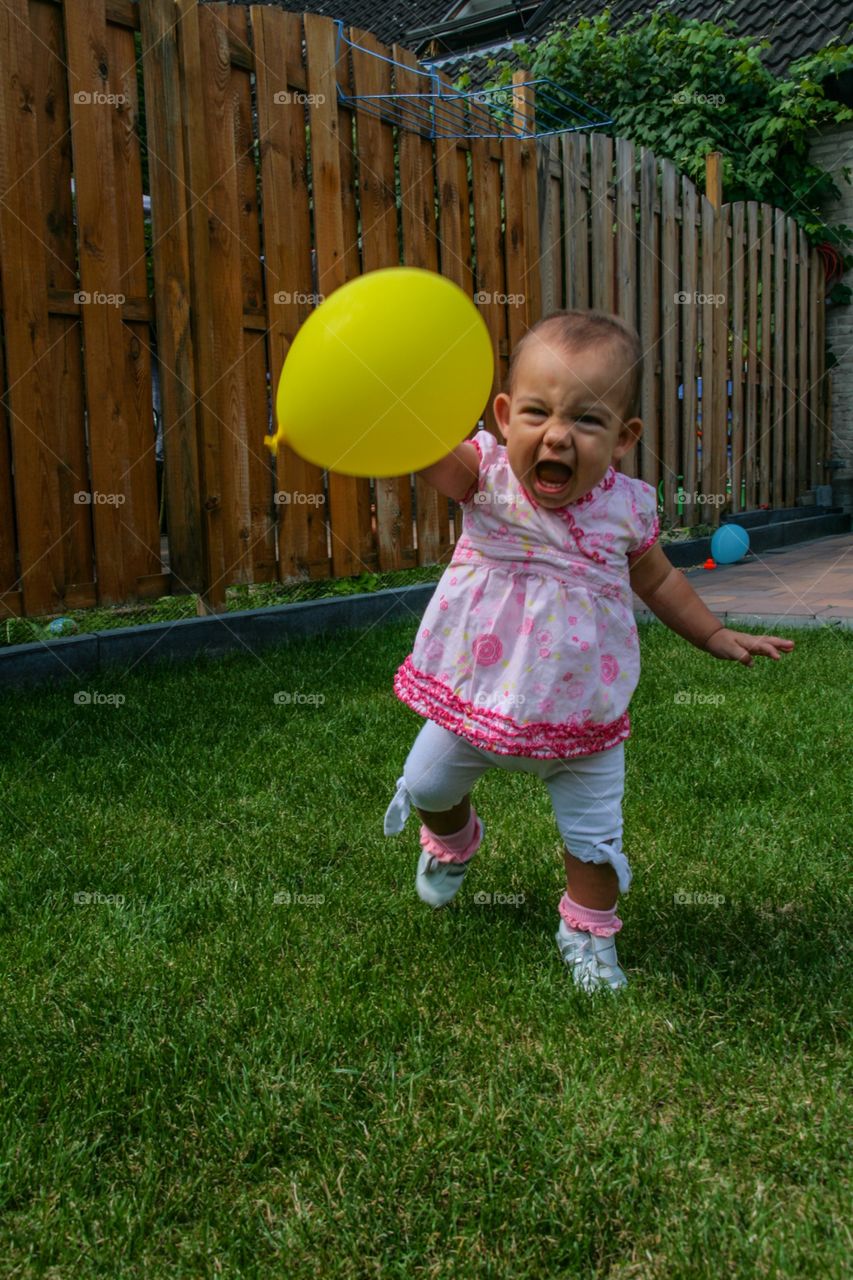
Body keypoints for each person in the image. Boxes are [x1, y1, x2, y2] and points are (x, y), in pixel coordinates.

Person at [383, 309, 794, 993]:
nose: (557, 436)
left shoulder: (625, 511)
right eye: (538, 414)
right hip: (477, 700)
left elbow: (658, 579)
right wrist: (404, 407)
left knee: (594, 842)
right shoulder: (485, 477)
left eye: (587, 420)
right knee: (426, 785)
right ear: (505, 415)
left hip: (583, 720)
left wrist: (715, 634)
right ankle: (454, 842)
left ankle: (586, 934)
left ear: (624, 437)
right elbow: (434, 456)